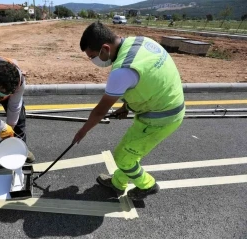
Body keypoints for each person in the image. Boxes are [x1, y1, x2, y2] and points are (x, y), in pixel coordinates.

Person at [73, 22, 185, 200]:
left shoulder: (122, 71)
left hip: (159, 118)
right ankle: (118, 184)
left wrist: (82, 131)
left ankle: (147, 185)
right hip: (168, 105)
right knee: (130, 152)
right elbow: (147, 81)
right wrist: (126, 106)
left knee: (123, 157)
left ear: (105, 48)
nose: (93, 61)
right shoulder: (140, 41)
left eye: (93, 56)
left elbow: (100, 112)